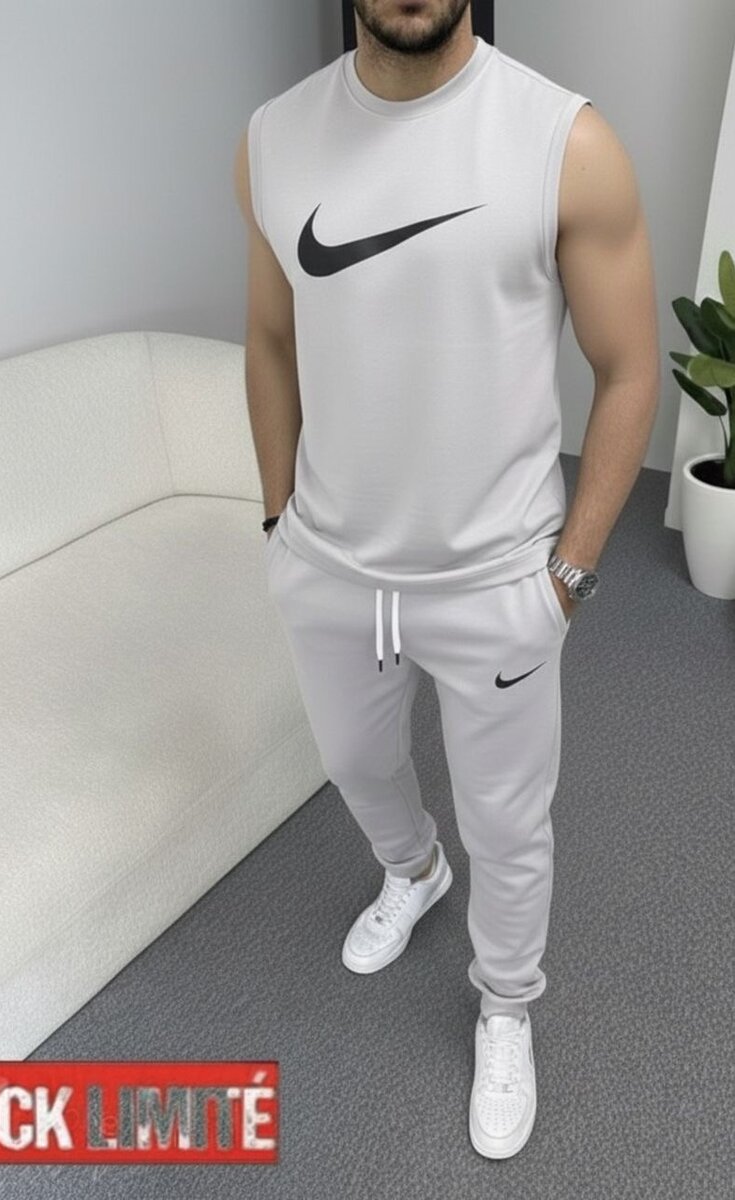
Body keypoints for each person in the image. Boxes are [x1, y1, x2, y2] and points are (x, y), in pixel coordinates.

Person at [234, 0, 659, 1161]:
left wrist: (564, 577)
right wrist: (277, 520)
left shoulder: (562, 141)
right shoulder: (272, 138)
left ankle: (505, 1005)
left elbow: (627, 369)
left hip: (494, 584)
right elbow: (269, 338)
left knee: (507, 825)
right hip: (332, 571)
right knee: (355, 764)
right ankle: (411, 872)